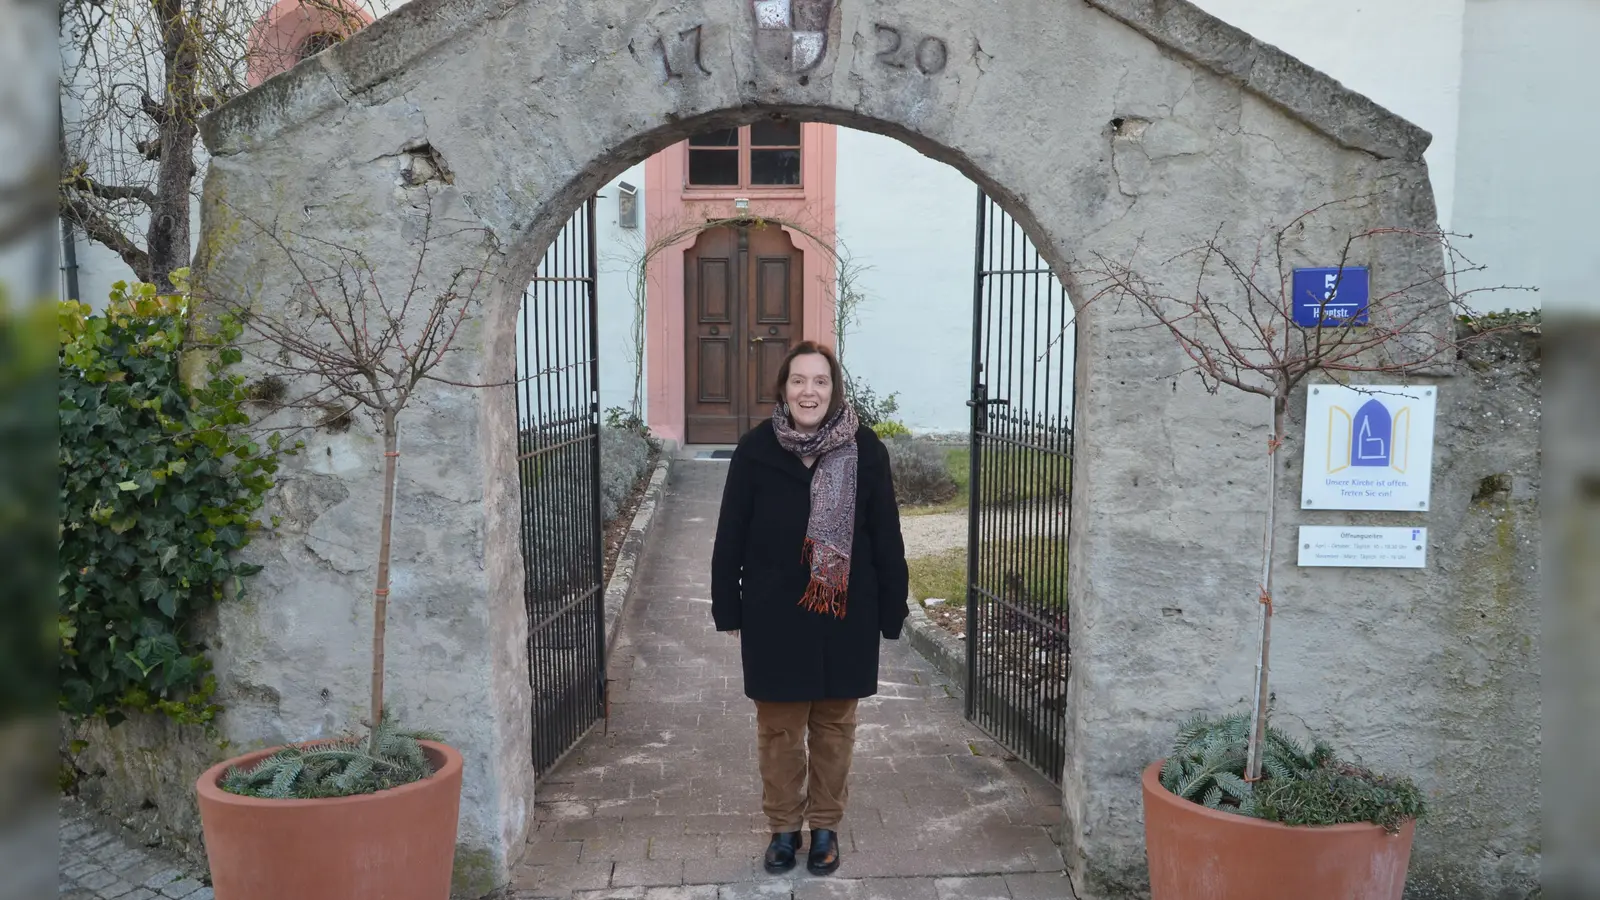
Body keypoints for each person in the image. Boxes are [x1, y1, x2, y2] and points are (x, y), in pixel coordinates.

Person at [710, 340, 909, 877]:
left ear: (833, 388)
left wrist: (894, 605)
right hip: (774, 614)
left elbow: (885, 533)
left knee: (835, 725)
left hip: (847, 610)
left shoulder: (866, 449)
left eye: (820, 381)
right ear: (783, 388)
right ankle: (782, 828)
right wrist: (728, 605)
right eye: (799, 380)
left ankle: (824, 827)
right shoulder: (755, 450)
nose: (809, 391)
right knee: (778, 728)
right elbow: (731, 534)